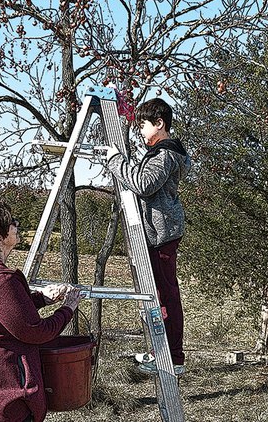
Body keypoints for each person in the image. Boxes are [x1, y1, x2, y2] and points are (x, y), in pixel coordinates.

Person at [0, 201, 82, 422]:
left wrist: (41, 298)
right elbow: (35, 331)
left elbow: (2, 311)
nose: (16, 224)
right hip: (2, 398)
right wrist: (68, 308)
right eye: (10, 223)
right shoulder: (2, 281)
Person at [104, 98, 191, 375]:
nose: (140, 130)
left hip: (162, 233)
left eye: (142, 125)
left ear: (159, 124)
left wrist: (115, 161)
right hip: (159, 231)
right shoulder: (160, 152)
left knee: (166, 296)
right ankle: (162, 352)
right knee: (160, 297)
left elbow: (143, 183)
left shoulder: (165, 153)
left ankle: (173, 358)